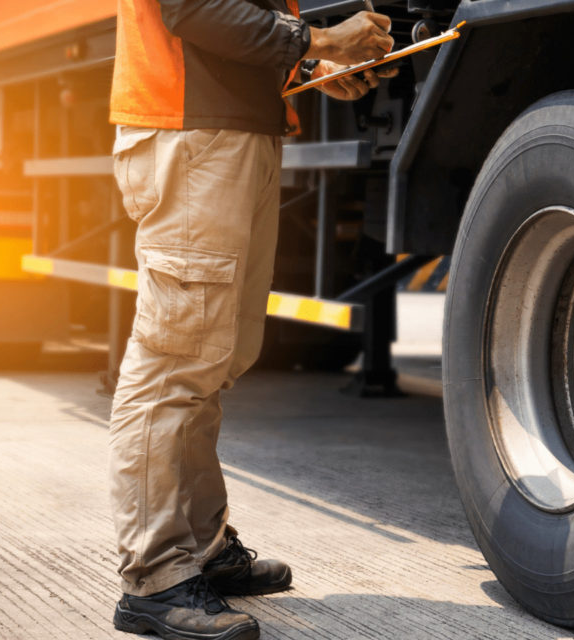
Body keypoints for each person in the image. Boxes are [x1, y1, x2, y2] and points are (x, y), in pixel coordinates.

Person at [105, 2, 395, 639]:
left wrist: (310, 61)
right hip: (191, 135)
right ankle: (154, 578)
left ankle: (201, 550)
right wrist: (317, 37)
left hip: (230, 135)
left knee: (213, 359)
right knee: (174, 365)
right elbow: (191, 9)